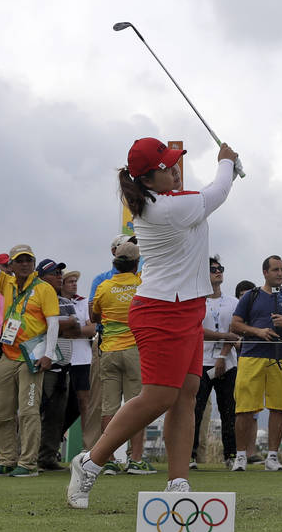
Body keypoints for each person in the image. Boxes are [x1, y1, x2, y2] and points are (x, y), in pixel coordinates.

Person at [69, 138, 239, 507]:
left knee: (186, 395)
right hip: (161, 311)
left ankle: (178, 482)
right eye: (167, 165)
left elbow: (209, 195)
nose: (175, 168)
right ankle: (91, 462)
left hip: (187, 307)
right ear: (148, 177)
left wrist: (228, 169)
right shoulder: (169, 208)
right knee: (159, 396)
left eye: (175, 162)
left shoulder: (166, 201)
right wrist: (226, 161)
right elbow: (218, 190)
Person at [229, 256, 282, 472]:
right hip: (251, 355)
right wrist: (258, 331)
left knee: (279, 407)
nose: (280, 273)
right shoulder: (251, 296)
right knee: (244, 407)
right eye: (275, 269)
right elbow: (235, 324)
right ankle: (241, 456)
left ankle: (272, 458)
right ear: (265, 272)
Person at [91, 241, 155, 475]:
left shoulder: (104, 286)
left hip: (108, 350)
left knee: (109, 408)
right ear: (137, 262)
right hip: (135, 350)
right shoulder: (142, 284)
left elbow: (94, 315)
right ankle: (135, 460)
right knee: (137, 405)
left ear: (115, 262)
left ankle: (107, 460)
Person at [0, 244, 61, 477]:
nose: (25, 264)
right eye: (20, 261)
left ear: (34, 264)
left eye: (29, 260)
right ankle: (6, 458)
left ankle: (28, 463)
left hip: (31, 356)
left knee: (28, 411)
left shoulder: (44, 288)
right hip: (7, 353)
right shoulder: (6, 282)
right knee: (1, 410)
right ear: (11, 265)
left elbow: (53, 323)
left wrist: (49, 354)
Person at [192, 256, 239, 469]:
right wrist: (223, 336)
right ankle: (190, 456)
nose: (218, 271)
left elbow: (236, 331)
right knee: (195, 410)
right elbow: (196, 331)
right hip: (199, 362)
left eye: (221, 268)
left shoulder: (233, 302)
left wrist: (222, 355)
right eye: (213, 269)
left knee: (229, 410)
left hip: (227, 363)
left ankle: (230, 456)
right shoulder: (195, 301)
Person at [37, 260, 81, 472]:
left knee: (57, 415)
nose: (59, 276)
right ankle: (26, 456)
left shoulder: (64, 301)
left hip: (63, 366)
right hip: (43, 366)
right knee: (36, 413)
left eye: (60, 272)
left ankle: (47, 457)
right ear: (42, 277)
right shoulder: (36, 297)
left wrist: (59, 326)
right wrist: (63, 324)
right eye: (55, 273)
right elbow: (41, 327)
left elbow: (76, 329)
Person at [61, 271, 98, 451]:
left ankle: (88, 446)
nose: (74, 284)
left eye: (75, 281)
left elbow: (92, 329)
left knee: (85, 403)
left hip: (82, 359)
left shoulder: (83, 302)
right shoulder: (55, 301)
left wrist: (71, 332)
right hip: (60, 359)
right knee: (59, 406)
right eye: (70, 281)